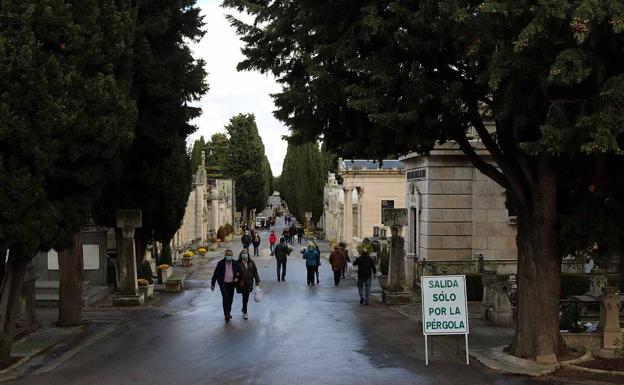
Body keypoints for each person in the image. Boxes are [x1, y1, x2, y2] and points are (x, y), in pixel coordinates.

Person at [211, 249, 240, 321]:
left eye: (230, 255)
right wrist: (213, 283)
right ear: (225, 255)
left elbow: (239, 273)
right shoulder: (220, 263)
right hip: (223, 284)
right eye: (227, 255)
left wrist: (237, 278)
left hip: (232, 284)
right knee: (225, 297)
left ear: (232, 256)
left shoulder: (235, 263)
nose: (229, 256)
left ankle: (228, 312)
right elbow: (215, 274)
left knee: (230, 299)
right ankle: (226, 314)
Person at [236, 249, 260, 320]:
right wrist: (237, 278)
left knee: (246, 297)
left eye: (246, 253)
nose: (245, 254)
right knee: (245, 297)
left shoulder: (251, 262)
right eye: (243, 253)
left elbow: (255, 271)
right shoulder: (238, 263)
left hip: (249, 282)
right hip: (242, 283)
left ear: (248, 254)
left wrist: (257, 280)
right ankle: (245, 312)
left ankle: (244, 308)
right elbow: (235, 272)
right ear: (241, 254)